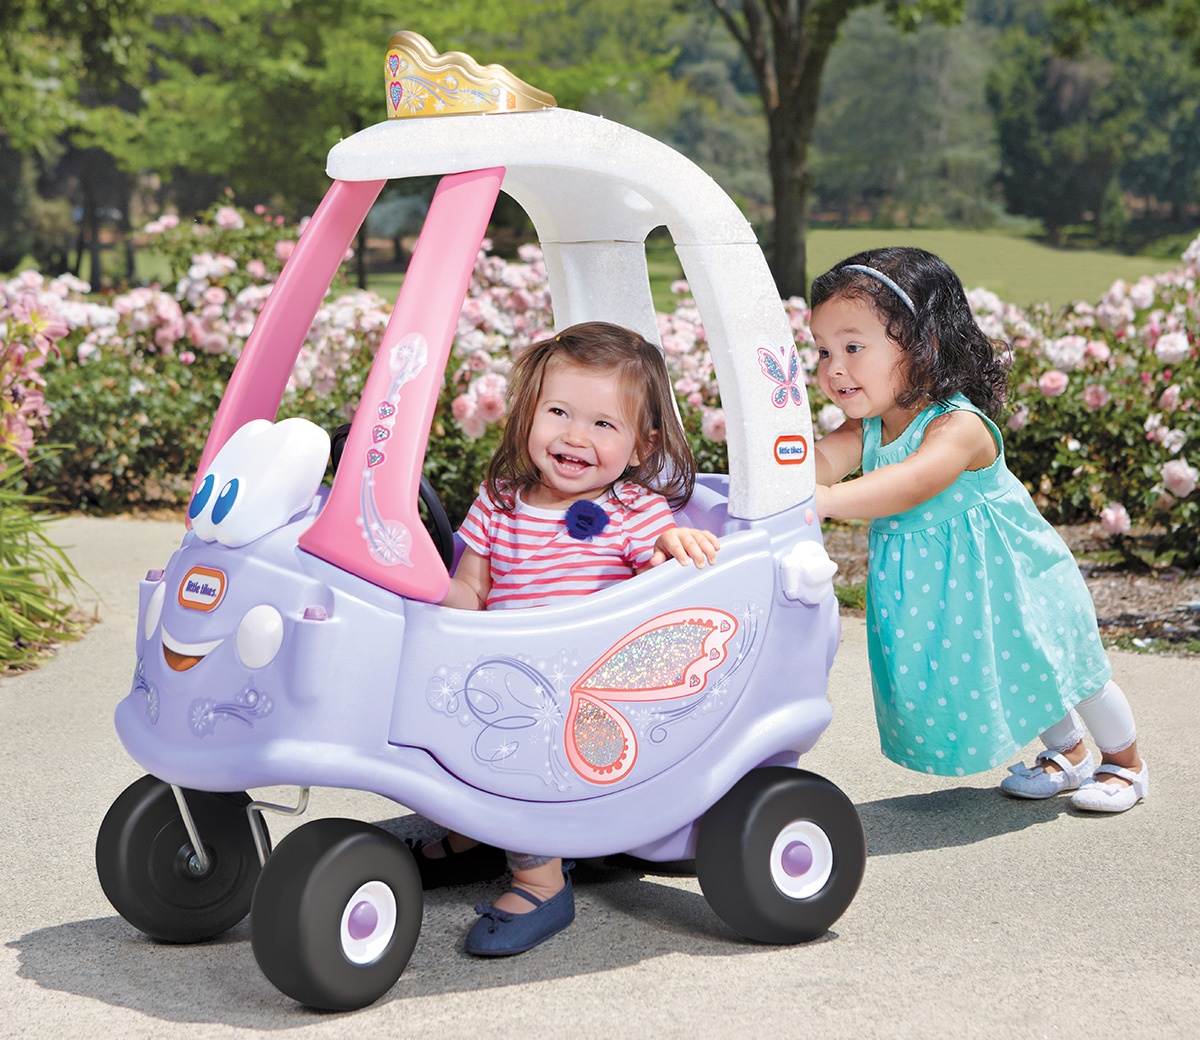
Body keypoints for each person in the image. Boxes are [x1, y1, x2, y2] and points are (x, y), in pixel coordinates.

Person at [807, 247, 1147, 816]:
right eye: (823, 351)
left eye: (853, 348)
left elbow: (912, 483)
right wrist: (782, 478)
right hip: (956, 591)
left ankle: (1126, 763)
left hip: (1015, 576)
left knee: (1072, 669)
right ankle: (1068, 755)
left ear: (924, 346)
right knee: (1019, 669)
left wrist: (827, 501)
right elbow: (819, 460)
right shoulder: (866, 426)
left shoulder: (957, 425)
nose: (833, 368)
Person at [419, 320, 720, 957]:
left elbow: (658, 587)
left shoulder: (634, 511)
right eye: (558, 412)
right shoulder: (501, 500)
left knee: (522, 748)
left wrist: (672, 545)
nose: (575, 436)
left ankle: (540, 880)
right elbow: (472, 587)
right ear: (530, 412)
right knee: (431, 715)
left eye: (603, 424)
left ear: (640, 445)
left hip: (574, 688)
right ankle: (476, 832)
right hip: (497, 667)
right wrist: (431, 607)